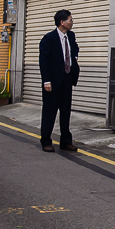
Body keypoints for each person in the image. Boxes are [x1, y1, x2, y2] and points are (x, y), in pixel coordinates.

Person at [38, 9, 80, 152]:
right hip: (53, 81)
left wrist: (75, 58)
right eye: (70, 20)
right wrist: (46, 81)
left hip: (67, 79)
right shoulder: (49, 38)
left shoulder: (71, 35)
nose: (72, 22)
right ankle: (46, 141)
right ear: (62, 22)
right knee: (50, 111)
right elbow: (43, 61)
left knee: (66, 111)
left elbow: (75, 48)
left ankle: (66, 141)